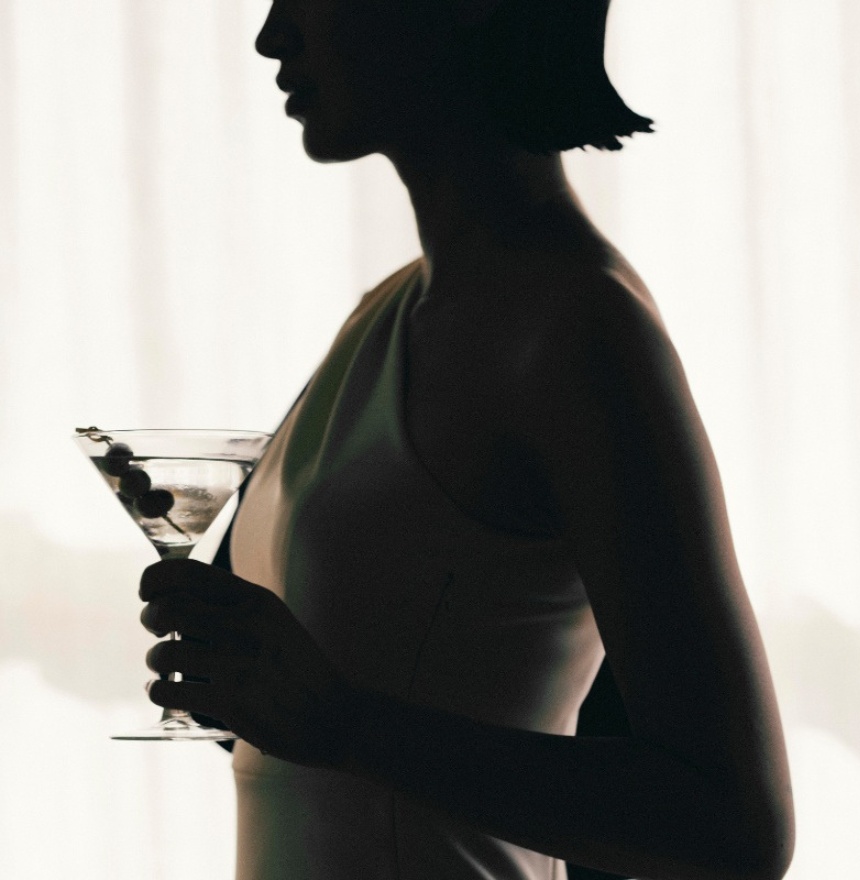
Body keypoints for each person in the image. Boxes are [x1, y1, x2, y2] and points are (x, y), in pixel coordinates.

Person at [138, 2, 796, 879]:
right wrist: (254, 694)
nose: (272, 32)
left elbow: (733, 827)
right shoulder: (387, 312)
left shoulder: (576, 329)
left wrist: (343, 725)